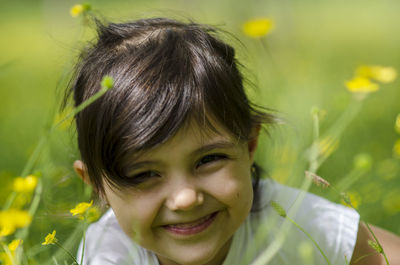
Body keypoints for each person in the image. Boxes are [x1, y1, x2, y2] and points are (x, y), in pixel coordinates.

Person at [64, 17, 400, 265]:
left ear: (250, 146)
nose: (184, 198)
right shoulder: (108, 254)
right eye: (142, 175)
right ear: (97, 185)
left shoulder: (291, 222)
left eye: (208, 160)